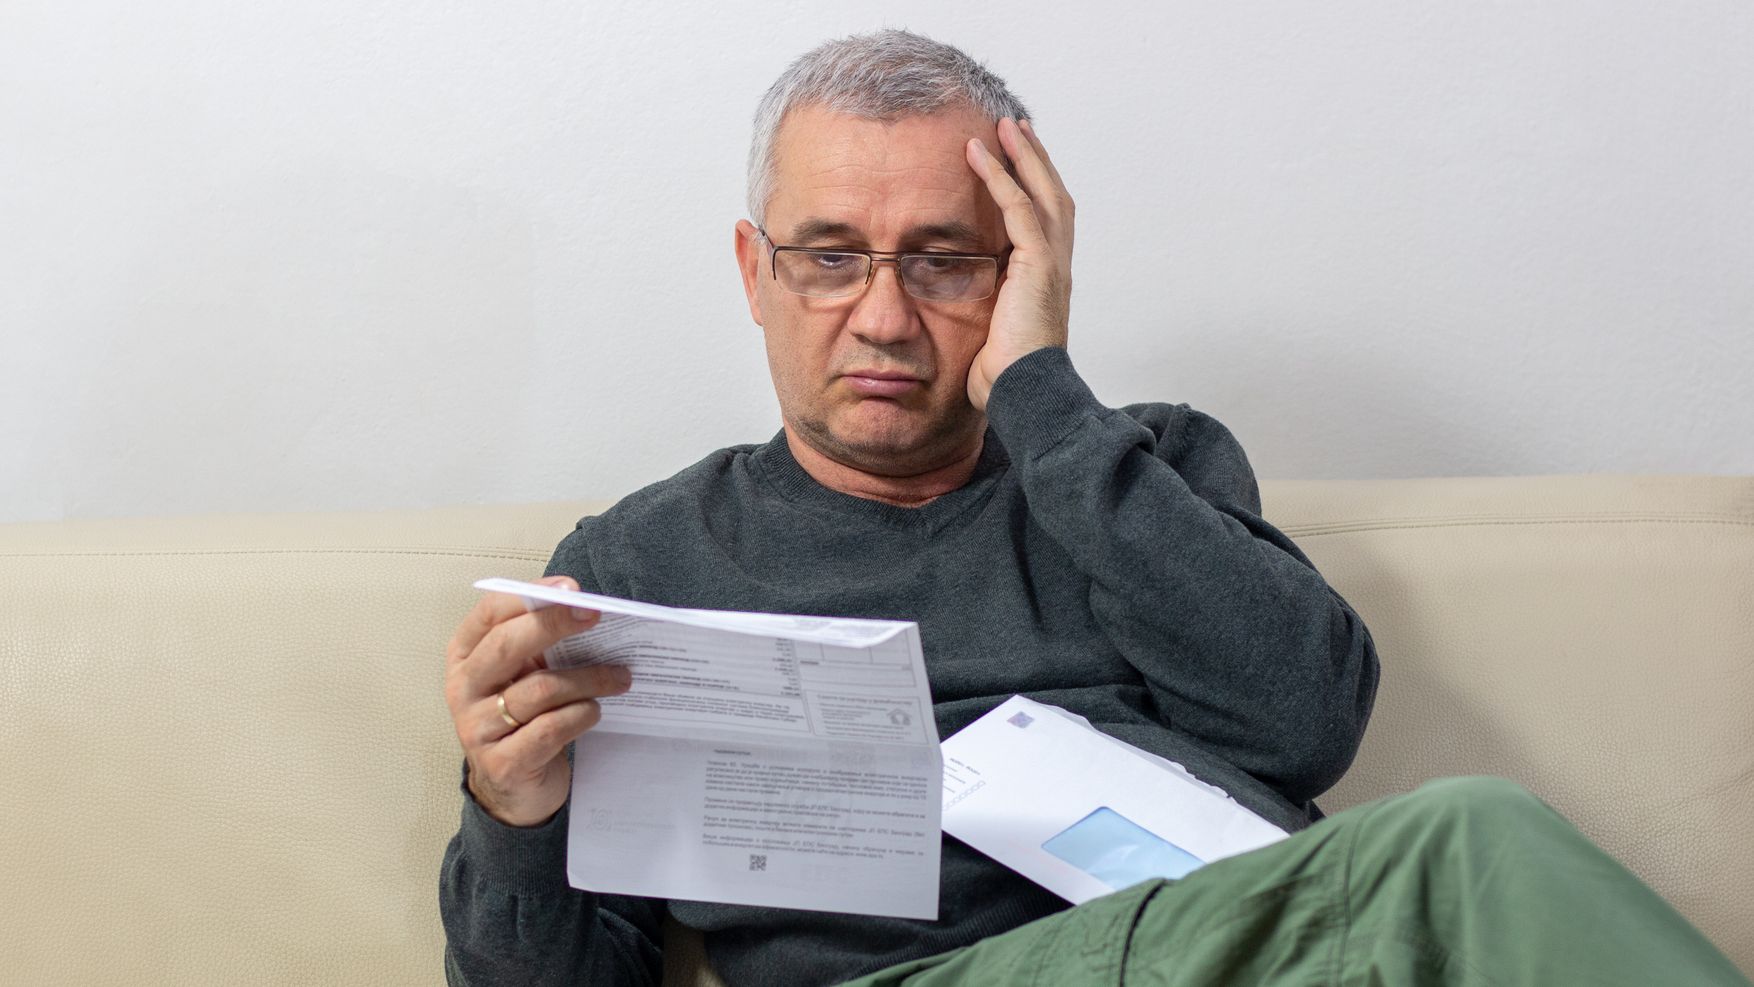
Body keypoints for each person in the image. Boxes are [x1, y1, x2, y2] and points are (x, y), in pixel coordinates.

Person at [439, 29, 1750, 987]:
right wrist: (516, 807)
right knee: (1472, 841)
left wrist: (1045, 399)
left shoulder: (1144, 469)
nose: (884, 316)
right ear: (753, 270)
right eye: (830, 256)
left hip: (1240, 943)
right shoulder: (642, 562)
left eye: (945, 261)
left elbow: (1302, 725)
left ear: (1024, 269)